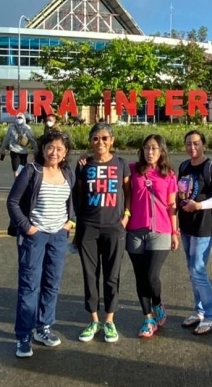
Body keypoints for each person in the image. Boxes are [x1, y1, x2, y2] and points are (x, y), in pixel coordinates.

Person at [7, 131, 76, 358]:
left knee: (51, 284)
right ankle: (24, 336)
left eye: (59, 149)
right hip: (34, 237)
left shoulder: (67, 173)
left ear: (65, 153)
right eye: (50, 147)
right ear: (42, 148)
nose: (54, 152)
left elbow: (72, 200)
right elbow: (13, 202)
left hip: (58, 236)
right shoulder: (31, 171)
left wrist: (70, 222)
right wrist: (27, 227)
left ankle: (44, 327)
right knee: (29, 287)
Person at [73, 122, 130, 343]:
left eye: (105, 138)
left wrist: (126, 216)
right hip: (89, 227)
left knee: (112, 275)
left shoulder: (121, 165)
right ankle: (94, 319)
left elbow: (128, 193)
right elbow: (77, 196)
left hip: (114, 227)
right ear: (90, 141)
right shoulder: (83, 165)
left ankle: (109, 321)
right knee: (90, 275)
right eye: (96, 138)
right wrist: (77, 221)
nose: (100, 142)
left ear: (112, 140)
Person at [126, 134, 178, 338]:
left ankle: (157, 303)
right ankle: (148, 318)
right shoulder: (132, 170)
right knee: (140, 277)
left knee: (151, 276)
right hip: (135, 231)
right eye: (147, 148)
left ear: (162, 151)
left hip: (161, 230)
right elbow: (111, 167)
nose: (150, 152)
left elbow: (172, 205)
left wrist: (175, 232)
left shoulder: (169, 174)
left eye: (154, 148)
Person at [177, 130, 212, 335]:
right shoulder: (184, 166)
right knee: (192, 270)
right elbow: (180, 193)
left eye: (196, 143)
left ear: (203, 144)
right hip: (186, 226)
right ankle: (199, 312)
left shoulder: (210, 167)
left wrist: (199, 206)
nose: (192, 147)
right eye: (188, 144)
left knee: (198, 270)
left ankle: (211, 315)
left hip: (203, 227)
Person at [0, 112, 37, 178]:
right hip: (14, 150)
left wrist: (36, 150)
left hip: (23, 151)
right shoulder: (11, 127)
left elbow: (32, 139)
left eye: (20, 118)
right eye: (18, 118)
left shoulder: (27, 128)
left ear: (24, 119)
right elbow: (7, 138)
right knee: (16, 169)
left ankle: (22, 183)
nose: (19, 119)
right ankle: (17, 183)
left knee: (23, 169)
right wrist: (3, 148)